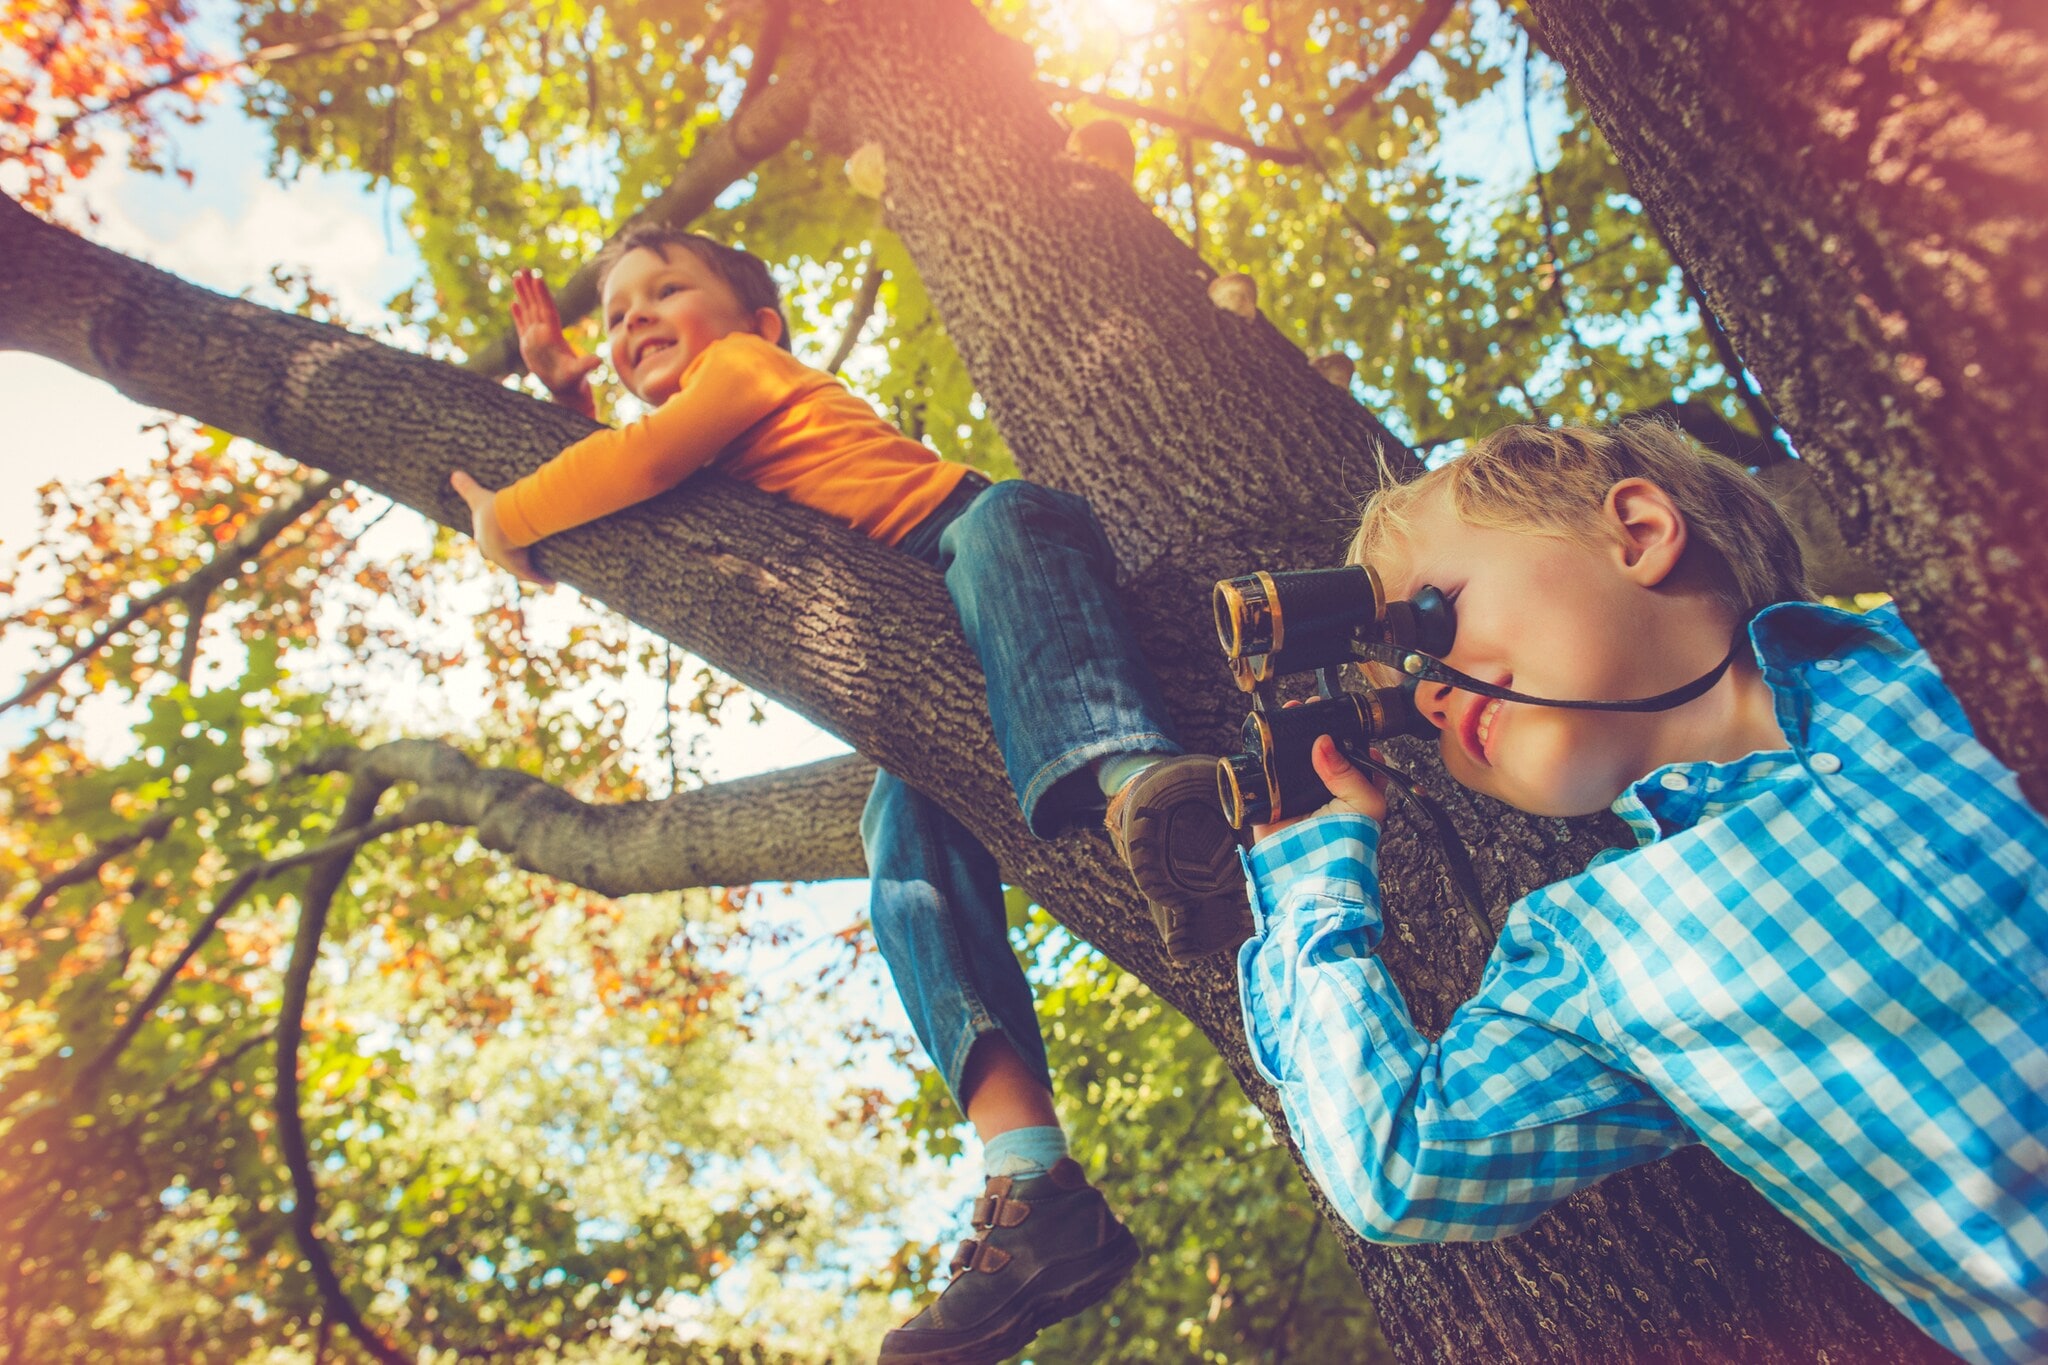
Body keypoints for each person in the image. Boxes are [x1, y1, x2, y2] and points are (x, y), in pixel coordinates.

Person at [447, 228, 1249, 1362]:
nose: (630, 322)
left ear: (761, 326)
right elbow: (639, 479)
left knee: (1009, 516)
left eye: (661, 292)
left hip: (971, 547)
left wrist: (504, 516)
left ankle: (1147, 797)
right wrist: (568, 395)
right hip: (930, 643)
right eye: (614, 316)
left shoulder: (746, 374)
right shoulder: (706, 437)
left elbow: (640, 466)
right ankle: (1031, 1187)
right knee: (902, 846)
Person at [1237, 420, 2048, 1363]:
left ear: (1637, 533)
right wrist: (1311, 879)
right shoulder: (1591, 949)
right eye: (1411, 702)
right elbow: (1399, 1160)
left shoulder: (1949, 648)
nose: (1433, 694)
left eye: (1434, 619)